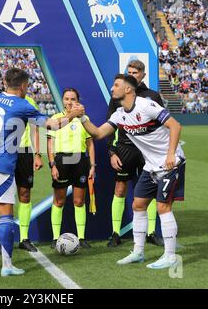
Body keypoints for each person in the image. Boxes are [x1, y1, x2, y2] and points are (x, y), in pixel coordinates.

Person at [0, 68, 83, 276]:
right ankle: (7, 266)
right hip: (2, 163)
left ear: (5, 82)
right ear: (23, 86)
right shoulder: (23, 105)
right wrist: (73, 114)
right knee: (5, 214)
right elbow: (52, 124)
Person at [79, 74, 185, 269]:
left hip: (171, 162)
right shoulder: (119, 114)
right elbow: (98, 133)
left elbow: (175, 125)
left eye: (116, 85)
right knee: (138, 205)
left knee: (163, 207)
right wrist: (82, 117)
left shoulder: (146, 105)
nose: (112, 88)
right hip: (151, 165)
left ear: (128, 89)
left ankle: (170, 256)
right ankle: (138, 252)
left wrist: (171, 155)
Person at [106, 60, 165, 247]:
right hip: (125, 147)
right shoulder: (118, 96)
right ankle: (115, 233)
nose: (132, 74)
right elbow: (109, 123)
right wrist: (111, 151)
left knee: (152, 190)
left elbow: (162, 125)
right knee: (120, 188)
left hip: (147, 150)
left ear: (143, 75)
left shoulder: (152, 96)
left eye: (136, 72)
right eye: (129, 71)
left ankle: (151, 232)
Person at [0, 93, 43, 254]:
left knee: (25, 194)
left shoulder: (29, 101)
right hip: (3, 151)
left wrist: (37, 154)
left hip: (24, 152)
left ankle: (24, 238)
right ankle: (1, 241)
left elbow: (35, 129)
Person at [47, 87, 95, 249]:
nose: (69, 102)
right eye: (66, 99)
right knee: (59, 201)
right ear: (62, 100)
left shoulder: (84, 119)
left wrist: (92, 165)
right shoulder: (56, 118)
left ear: (78, 101)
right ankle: (55, 237)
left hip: (80, 161)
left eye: (72, 99)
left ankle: (81, 237)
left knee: (79, 201)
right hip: (62, 161)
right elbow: (50, 143)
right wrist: (52, 164)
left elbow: (90, 143)